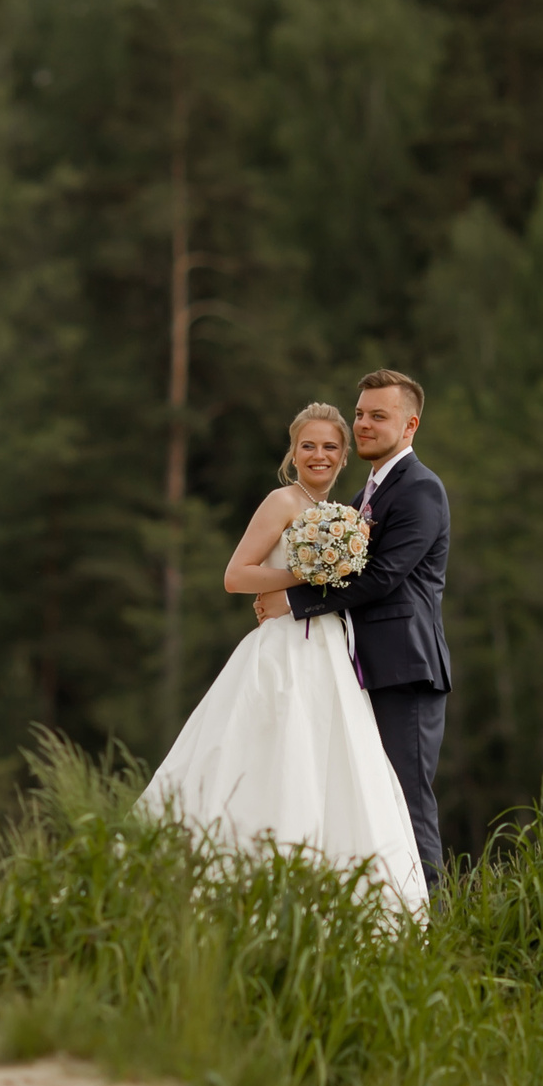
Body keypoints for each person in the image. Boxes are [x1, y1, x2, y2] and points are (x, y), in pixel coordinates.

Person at [139, 401, 428, 912]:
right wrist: (306, 575)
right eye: (308, 446)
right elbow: (237, 576)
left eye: (330, 447)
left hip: (332, 651)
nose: (319, 455)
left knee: (336, 762)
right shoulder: (282, 501)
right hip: (283, 650)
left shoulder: (351, 513)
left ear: (343, 459)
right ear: (293, 453)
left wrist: (328, 570)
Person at [253, 370, 450, 892]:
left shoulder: (421, 490)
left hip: (405, 668)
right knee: (367, 800)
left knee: (406, 800)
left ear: (410, 425)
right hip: (357, 667)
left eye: (377, 416)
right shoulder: (367, 492)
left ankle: (437, 925)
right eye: (360, 414)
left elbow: (384, 578)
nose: (363, 424)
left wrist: (292, 600)